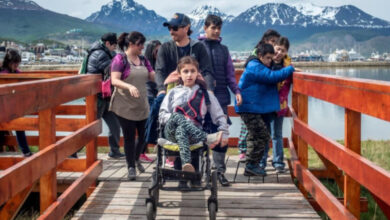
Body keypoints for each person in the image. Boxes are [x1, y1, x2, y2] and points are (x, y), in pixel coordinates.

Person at [154, 12, 215, 168]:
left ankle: (189, 172)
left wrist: (209, 90)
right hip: (172, 92)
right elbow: (159, 71)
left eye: (175, 28)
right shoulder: (165, 48)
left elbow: (207, 71)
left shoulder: (198, 47)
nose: (171, 31)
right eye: (170, 28)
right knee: (160, 108)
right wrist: (162, 89)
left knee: (206, 109)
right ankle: (150, 138)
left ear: (186, 28)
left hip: (194, 92)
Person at [159, 56, 228, 180]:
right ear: (179, 74)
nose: (189, 74)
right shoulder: (173, 92)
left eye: (193, 71)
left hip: (192, 134)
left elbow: (219, 115)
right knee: (176, 117)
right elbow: (162, 115)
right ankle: (206, 138)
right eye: (186, 71)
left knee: (182, 130)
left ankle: (186, 166)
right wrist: (182, 119)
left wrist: (225, 133)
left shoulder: (205, 94)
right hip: (171, 131)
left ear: (198, 73)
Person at [235, 43, 294, 176]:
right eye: (268, 58)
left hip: (250, 106)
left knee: (254, 136)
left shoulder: (256, 64)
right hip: (248, 107)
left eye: (270, 58)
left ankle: (252, 165)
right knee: (262, 135)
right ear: (260, 56)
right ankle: (252, 165)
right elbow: (272, 77)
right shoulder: (255, 65)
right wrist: (290, 69)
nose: (269, 61)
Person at [198, 14, 242, 186]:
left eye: (218, 28)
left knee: (221, 135)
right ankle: (202, 172)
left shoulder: (223, 50)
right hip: (200, 99)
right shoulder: (197, 47)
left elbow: (230, 74)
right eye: (212, 28)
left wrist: (236, 91)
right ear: (205, 28)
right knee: (200, 134)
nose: (216, 31)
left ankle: (219, 172)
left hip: (221, 97)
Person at [109, 31, 155, 180]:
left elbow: (152, 75)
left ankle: (136, 158)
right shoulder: (119, 59)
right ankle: (131, 167)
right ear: (131, 44)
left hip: (141, 103)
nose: (143, 47)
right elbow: (114, 80)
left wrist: (168, 79)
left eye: (143, 44)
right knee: (129, 137)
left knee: (143, 136)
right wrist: (129, 87)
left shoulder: (143, 60)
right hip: (124, 104)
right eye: (140, 44)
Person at [238, 29, 281, 161]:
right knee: (258, 132)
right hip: (254, 101)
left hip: (260, 100)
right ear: (265, 41)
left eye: (276, 42)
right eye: (273, 41)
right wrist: (289, 69)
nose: (275, 45)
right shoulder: (256, 59)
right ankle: (254, 160)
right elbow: (270, 76)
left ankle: (257, 160)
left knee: (260, 132)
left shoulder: (267, 57)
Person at [87, 32, 124, 159]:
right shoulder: (99, 54)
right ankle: (72, 152)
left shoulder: (106, 52)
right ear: (107, 43)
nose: (115, 47)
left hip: (105, 96)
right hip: (97, 97)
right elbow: (113, 69)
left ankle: (114, 151)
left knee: (115, 124)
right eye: (114, 45)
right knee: (90, 128)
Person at [259, 37, 292, 173]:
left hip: (279, 104)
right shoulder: (266, 62)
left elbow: (286, 87)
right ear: (274, 48)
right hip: (265, 104)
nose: (279, 53)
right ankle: (261, 162)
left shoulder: (287, 67)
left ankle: (278, 162)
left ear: (286, 52)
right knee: (264, 134)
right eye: (278, 49)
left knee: (276, 134)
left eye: (282, 51)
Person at [0, 49, 32, 157]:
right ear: (8, 62)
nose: (16, 65)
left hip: (11, 107)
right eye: (14, 62)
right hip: (4, 107)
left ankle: (26, 151)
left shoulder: (17, 73)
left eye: (17, 62)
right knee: (18, 125)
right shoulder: (3, 74)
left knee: (19, 125)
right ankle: (26, 151)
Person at [140, 40, 162, 163]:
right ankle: (140, 152)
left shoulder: (160, 62)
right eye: (157, 51)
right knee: (147, 124)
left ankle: (144, 152)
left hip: (157, 94)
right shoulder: (145, 63)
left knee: (157, 124)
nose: (159, 53)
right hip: (148, 95)